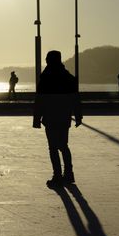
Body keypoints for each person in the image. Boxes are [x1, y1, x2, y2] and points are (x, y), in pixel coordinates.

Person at [33, 50, 82, 188]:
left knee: (53, 147)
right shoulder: (68, 77)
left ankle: (57, 175)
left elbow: (39, 100)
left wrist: (37, 118)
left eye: (47, 59)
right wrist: (78, 115)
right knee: (63, 146)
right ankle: (68, 174)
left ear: (49, 60)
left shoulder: (45, 78)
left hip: (50, 117)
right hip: (64, 116)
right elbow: (75, 98)